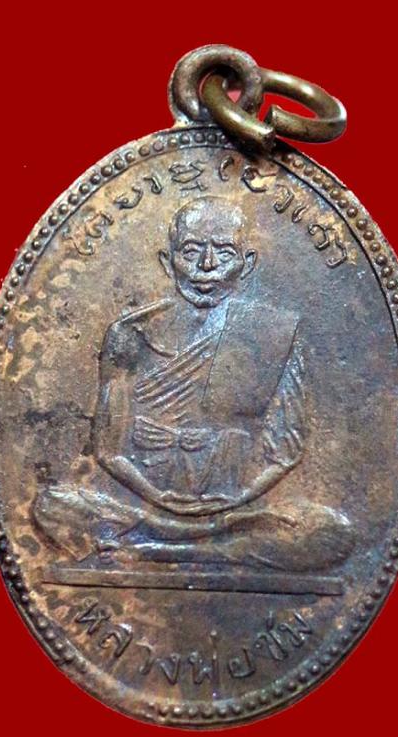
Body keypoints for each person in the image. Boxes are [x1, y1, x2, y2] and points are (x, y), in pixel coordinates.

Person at [33, 196, 355, 573]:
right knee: (52, 506)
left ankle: (156, 549)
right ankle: (190, 544)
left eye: (224, 252)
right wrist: (159, 500)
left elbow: (286, 451)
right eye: (190, 251)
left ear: (247, 263)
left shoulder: (274, 334)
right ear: (167, 261)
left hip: (237, 512)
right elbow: (107, 448)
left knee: (332, 532)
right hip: (143, 506)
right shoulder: (129, 333)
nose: (206, 265)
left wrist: (233, 502)